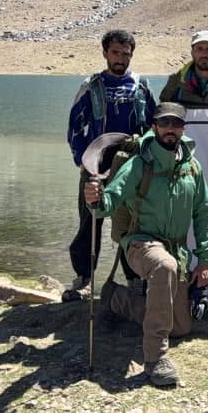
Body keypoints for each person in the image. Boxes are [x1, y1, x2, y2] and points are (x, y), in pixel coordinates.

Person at [84, 102, 208, 387]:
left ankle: (118, 299)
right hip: (140, 243)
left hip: (175, 248)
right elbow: (109, 203)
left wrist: (204, 261)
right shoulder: (138, 164)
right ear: (154, 127)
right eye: (164, 123)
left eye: (176, 124)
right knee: (164, 266)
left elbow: (203, 213)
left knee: (181, 326)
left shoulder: (192, 167)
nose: (170, 129)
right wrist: (95, 199)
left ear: (183, 129)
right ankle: (155, 359)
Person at [64, 29, 156, 300]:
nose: (120, 59)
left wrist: (145, 150)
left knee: (131, 223)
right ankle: (83, 279)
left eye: (125, 54)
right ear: (105, 52)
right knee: (89, 221)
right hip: (95, 165)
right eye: (115, 53)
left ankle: (135, 280)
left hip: (130, 166)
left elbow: (154, 126)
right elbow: (74, 129)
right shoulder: (91, 86)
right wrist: (83, 160)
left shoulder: (140, 86)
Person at [159, 30, 208, 110]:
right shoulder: (176, 81)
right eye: (199, 49)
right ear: (192, 53)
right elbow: (162, 112)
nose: (204, 54)